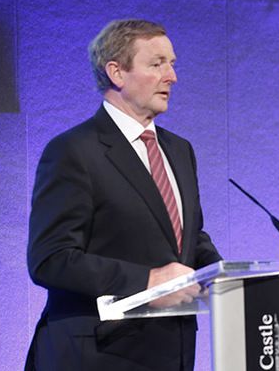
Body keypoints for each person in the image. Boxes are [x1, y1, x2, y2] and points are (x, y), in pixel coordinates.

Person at [25, 19, 222, 371]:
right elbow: (50, 258)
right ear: (116, 72)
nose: (172, 76)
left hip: (170, 352)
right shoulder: (74, 151)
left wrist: (220, 278)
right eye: (157, 63)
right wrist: (148, 281)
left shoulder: (179, 150)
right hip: (99, 354)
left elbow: (190, 238)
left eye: (172, 64)